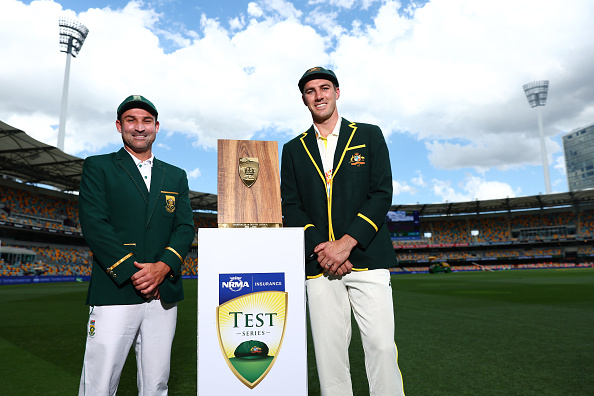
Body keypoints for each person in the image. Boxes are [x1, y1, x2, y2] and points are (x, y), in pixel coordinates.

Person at [281, 67, 405, 396]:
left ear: (337, 92)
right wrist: (323, 248)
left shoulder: (368, 134)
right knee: (329, 356)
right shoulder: (293, 149)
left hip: (367, 256)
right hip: (320, 264)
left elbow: (381, 193)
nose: (319, 95)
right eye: (310, 91)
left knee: (380, 346)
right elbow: (291, 206)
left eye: (325, 88)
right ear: (304, 99)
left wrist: (346, 244)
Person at [78, 95, 195, 395]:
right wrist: (135, 272)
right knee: (100, 383)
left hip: (162, 293)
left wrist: (162, 267)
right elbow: (94, 224)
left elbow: (184, 227)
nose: (139, 128)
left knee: (156, 383)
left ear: (157, 126)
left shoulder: (177, 175)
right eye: (131, 120)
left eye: (146, 121)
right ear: (119, 126)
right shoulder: (98, 167)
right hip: (115, 289)